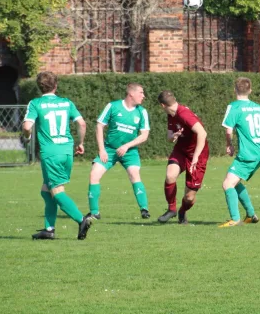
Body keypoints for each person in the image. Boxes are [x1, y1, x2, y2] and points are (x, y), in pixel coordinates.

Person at [22, 71, 92, 240]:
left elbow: (26, 127)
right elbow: (82, 123)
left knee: (56, 190)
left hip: (51, 153)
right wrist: (80, 143)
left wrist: (27, 136)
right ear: (56, 85)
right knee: (46, 190)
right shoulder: (66, 103)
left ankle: (81, 220)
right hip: (66, 151)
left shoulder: (36, 103)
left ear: (39, 87)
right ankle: (49, 229)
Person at [219, 77, 260, 227]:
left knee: (227, 184)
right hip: (259, 154)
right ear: (250, 90)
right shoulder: (258, 107)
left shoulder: (234, 107)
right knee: (234, 182)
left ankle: (234, 219)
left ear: (234, 90)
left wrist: (229, 145)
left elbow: (228, 131)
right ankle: (251, 215)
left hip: (247, 155)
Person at [88, 83, 151, 220]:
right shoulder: (113, 106)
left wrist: (127, 146)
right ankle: (94, 212)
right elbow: (99, 126)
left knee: (134, 174)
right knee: (94, 175)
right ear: (131, 94)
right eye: (141, 92)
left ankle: (144, 209)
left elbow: (144, 135)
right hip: (109, 149)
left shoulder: (142, 111)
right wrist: (102, 150)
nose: (143, 96)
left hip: (130, 151)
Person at [157, 91, 209, 224]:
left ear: (162, 105)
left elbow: (202, 133)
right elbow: (169, 137)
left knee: (189, 198)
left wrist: (196, 156)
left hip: (197, 155)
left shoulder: (184, 114)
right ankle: (171, 209)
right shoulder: (171, 114)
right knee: (170, 176)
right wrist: (174, 135)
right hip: (181, 150)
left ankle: (182, 211)